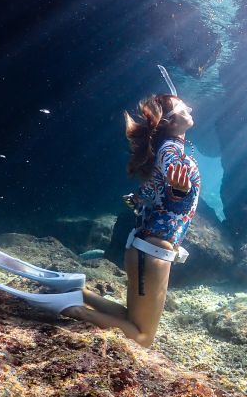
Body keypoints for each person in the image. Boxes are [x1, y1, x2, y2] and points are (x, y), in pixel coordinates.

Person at [62, 93, 200, 347]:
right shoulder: (171, 150)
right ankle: (73, 310)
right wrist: (178, 192)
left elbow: (151, 191)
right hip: (154, 253)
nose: (190, 107)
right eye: (183, 107)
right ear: (170, 122)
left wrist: (141, 199)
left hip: (144, 247)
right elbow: (172, 184)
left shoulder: (165, 148)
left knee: (132, 320)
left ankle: (74, 293)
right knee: (143, 338)